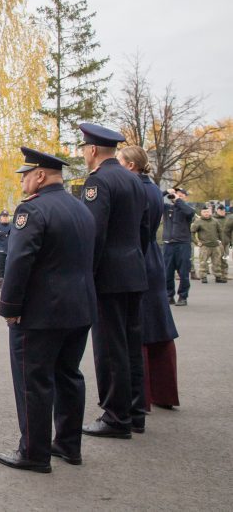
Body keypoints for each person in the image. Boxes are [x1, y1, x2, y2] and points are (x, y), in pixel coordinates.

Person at [0, 147, 96, 473]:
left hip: (40, 312)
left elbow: (19, 262)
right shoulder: (80, 208)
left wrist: (10, 307)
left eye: (25, 175)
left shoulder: (32, 211)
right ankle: (68, 445)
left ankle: (34, 452)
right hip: (80, 307)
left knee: (33, 380)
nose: (22, 181)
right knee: (69, 375)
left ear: (40, 175)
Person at [77, 123, 149, 439]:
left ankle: (115, 417)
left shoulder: (98, 182)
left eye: (83, 149)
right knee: (131, 345)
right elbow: (145, 230)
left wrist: (85, 276)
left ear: (92, 150)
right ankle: (134, 412)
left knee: (109, 347)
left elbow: (93, 234)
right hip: (134, 270)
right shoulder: (134, 180)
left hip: (108, 276)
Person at [117, 146, 180, 412]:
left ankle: (138, 398)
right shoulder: (153, 188)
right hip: (152, 258)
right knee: (158, 327)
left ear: (130, 165)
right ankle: (164, 392)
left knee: (137, 331)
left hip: (139, 259)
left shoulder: (136, 190)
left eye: (119, 161)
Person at [162, 187, 194, 306]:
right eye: (176, 195)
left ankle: (183, 296)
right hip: (169, 244)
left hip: (182, 244)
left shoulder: (187, 208)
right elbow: (152, 200)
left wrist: (178, 200)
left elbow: (190, 213)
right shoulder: (167, 208)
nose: (177, 197)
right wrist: (166, 192)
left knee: (184, 272)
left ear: (185, 197)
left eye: (181, 195)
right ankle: (169, 295)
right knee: (167, 272)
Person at [192, 207, 223, 285]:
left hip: (215, 246)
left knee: (217, 262)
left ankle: (218, 276)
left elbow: (220, 231)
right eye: (204, 212)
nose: (206, 213)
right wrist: (196, 242)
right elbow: (192, 233)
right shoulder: (198, 222)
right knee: (203, 262)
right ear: (201, 213)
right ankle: (203, 277)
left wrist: (220, 241)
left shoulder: (215, 221)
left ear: (210, 212)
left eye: (208, 212)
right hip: (204, 246)